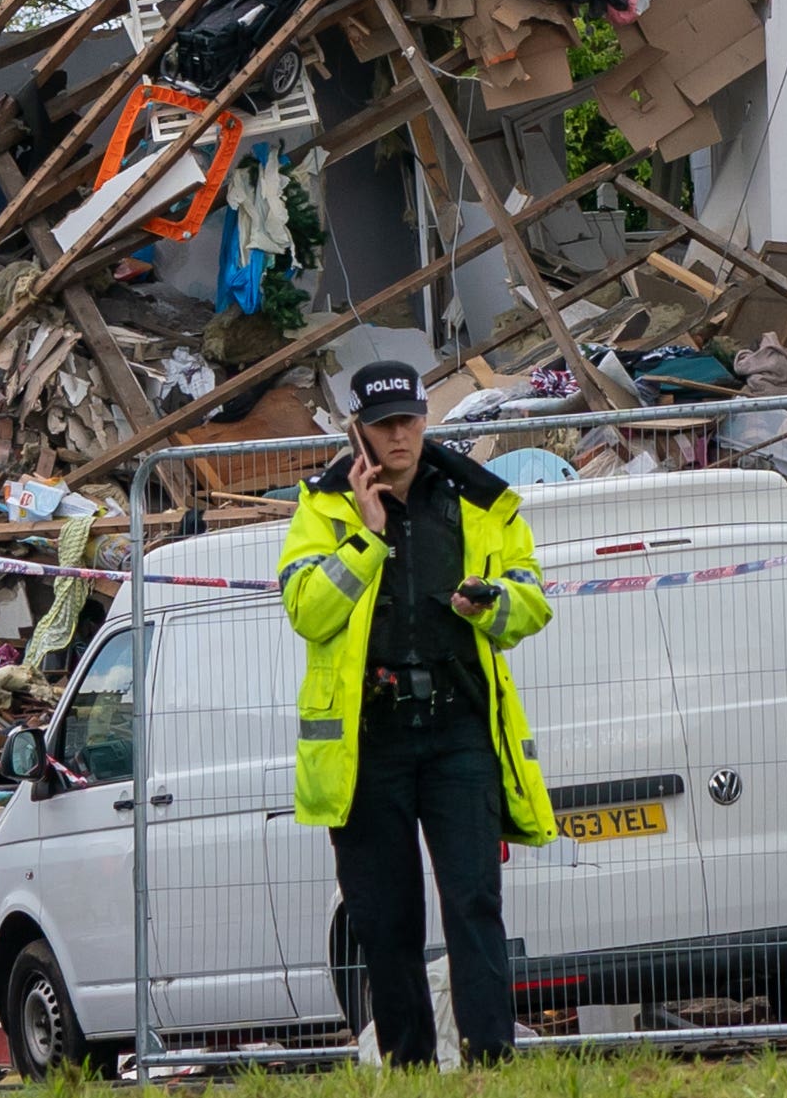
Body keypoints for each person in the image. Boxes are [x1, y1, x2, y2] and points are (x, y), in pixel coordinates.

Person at [277, 361, 556, 1065]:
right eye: (383, 424)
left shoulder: (479, 499)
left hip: (457, 729)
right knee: (384, 916)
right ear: (357, 430)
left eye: (408, 419)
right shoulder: (322, 506)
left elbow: (531, 600)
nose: (399, 435)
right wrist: (367, 538)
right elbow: (307, 611)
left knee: (474, 901)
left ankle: (491, 1059)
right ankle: (408, 1065)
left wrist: (489, 600)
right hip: (370, 740)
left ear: (425, 418)